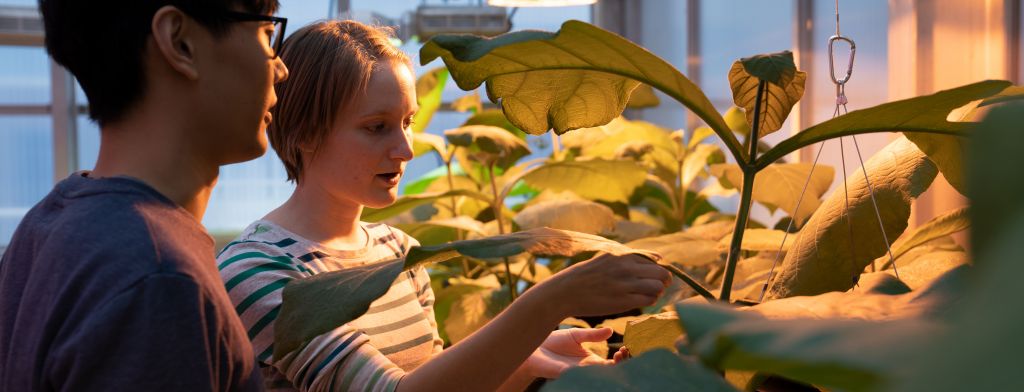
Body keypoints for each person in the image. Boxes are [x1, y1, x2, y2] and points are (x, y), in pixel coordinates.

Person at [216, 20, 670, 392]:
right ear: (305, 133)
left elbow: (435, 381)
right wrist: (548, 302)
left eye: (407, 122)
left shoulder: (398, 250)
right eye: (376, 127)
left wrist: (531, 358)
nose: (405, 149)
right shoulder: (260, 271)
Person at [0, 0, 289, 390]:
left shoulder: (46, 225)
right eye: (267, 34)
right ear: (180, 42)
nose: (281, 68)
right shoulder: (159, 281)